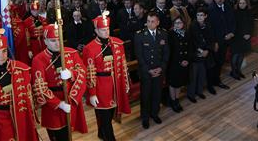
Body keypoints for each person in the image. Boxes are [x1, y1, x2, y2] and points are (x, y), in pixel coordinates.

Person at [0, 29, 39, 141]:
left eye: (4, 51)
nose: (2, 55)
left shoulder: (22, 67)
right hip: (1, 119)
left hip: (23, 114)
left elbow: (32, 93)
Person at [31, 24, 88, 141]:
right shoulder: (39, 59)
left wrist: (72, 74)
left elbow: (83, 71)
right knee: (58, 137)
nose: (57, 43)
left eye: (59, 39)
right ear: (45, 41)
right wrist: (59, 104)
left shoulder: (72, 53)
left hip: (71, 99)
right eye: (52, 40)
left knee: (69, 134)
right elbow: (40, 87)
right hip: (53, 106)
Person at [82, 12, 131, 140]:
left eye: (108, 29)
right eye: (103, 30)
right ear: (96, 30)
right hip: (100, 86)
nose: (106, 32)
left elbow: (123, 65)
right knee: (104, 116)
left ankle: (101, 132)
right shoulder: (89, 48)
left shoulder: (117, 43)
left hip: (115, 83)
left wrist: (125, 82)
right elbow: (89, 72)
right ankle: (110, 137)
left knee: (109, 113)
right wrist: (92, 93)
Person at [134, 12, 169, 129]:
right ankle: (145, 117)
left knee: (157, 94)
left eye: (153, 21)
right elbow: (139, 56)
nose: (150, 24)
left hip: (159, 70)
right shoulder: (139, 35)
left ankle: (154, 113)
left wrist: (161, 67)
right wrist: (148, 70)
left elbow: (166, 53)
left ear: (158, 22)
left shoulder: (163, 34)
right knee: (145, 95)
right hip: (146, 72)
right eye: (148, 21)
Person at [208, 0, 235, 90]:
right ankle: (210, 84)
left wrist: (231, 32)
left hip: (226, 40)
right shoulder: (210, 9)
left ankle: (217, 80)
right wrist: (214, 42)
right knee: (213, 63)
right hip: (216, 42)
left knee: (220, 61)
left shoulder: (228, 6)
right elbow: (210, 28)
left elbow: (232, 21)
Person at [187, 7, 216, 102]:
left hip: (206, 53)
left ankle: (199, 91)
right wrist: (201, 51)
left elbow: (211, 39)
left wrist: (207, 50)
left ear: (205, 16)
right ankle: (191, 94)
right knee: (194, 75)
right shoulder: (192, 25)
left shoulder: (208, 25)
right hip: (196, 53)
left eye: (202, 15)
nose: (200, 17)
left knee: (202, 74)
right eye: (198, 15)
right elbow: (192, 41)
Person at [167, 16, 191, 112]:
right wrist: (180, 61)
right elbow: (170, 51)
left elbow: (190, 48)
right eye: (176, 23)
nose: (178, 25)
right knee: (173, 83)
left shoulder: (186, 33)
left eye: (180, 23)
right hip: (174, 63)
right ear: (173, 24)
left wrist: (187, 60)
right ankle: (173, 101)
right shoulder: (170, 34)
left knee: (180, 83)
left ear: (183, 24)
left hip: (185, 62)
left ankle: (177, 99)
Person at [230, 0, 254, 80]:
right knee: (235, 55)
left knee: (242, 54)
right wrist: (243, 34)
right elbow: (234, 26)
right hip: (236, 37)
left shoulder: (250, 12)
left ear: (247, 4)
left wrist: (249, 34)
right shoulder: (234, 12)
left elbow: (252, 25)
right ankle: (233, 72)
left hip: (246, 37)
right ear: (238, 4)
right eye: (240, 3)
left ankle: (238, 70)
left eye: (243, 3)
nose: (242, 5)